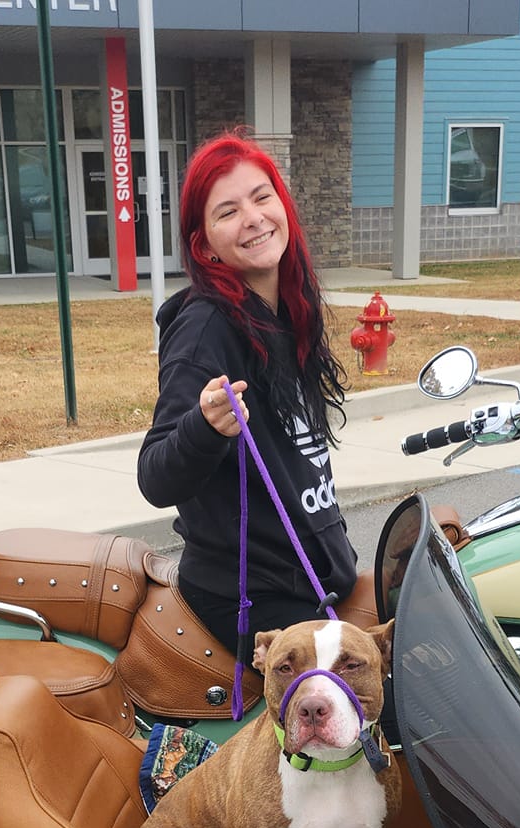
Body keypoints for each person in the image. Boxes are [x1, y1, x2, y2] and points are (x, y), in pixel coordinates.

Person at [137, 133, 353, 669]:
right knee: (400, 710)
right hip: (249, 596)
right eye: (228, 211)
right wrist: (204, 427)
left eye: (262, 197)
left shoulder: (289, 311)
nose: (253, 218)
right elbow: (155, 475)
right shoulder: (206, 328)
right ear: (205, 244)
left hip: (310, 582)